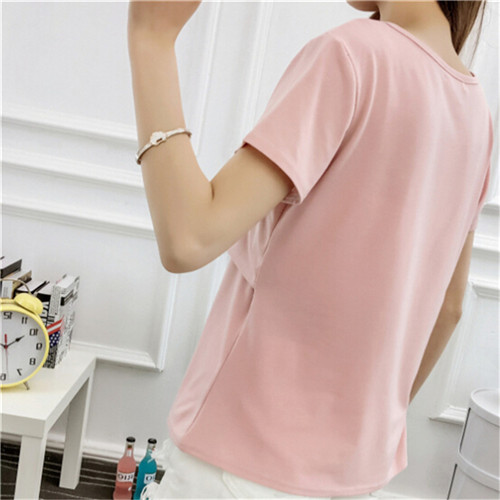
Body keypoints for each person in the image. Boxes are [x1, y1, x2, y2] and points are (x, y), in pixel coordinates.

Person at [128, 0, 493, 498]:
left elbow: (188, 238)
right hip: (350, 478)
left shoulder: (353, 56)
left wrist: (151, 38)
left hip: (236, 468)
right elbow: (449, 309)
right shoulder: (474, 111)